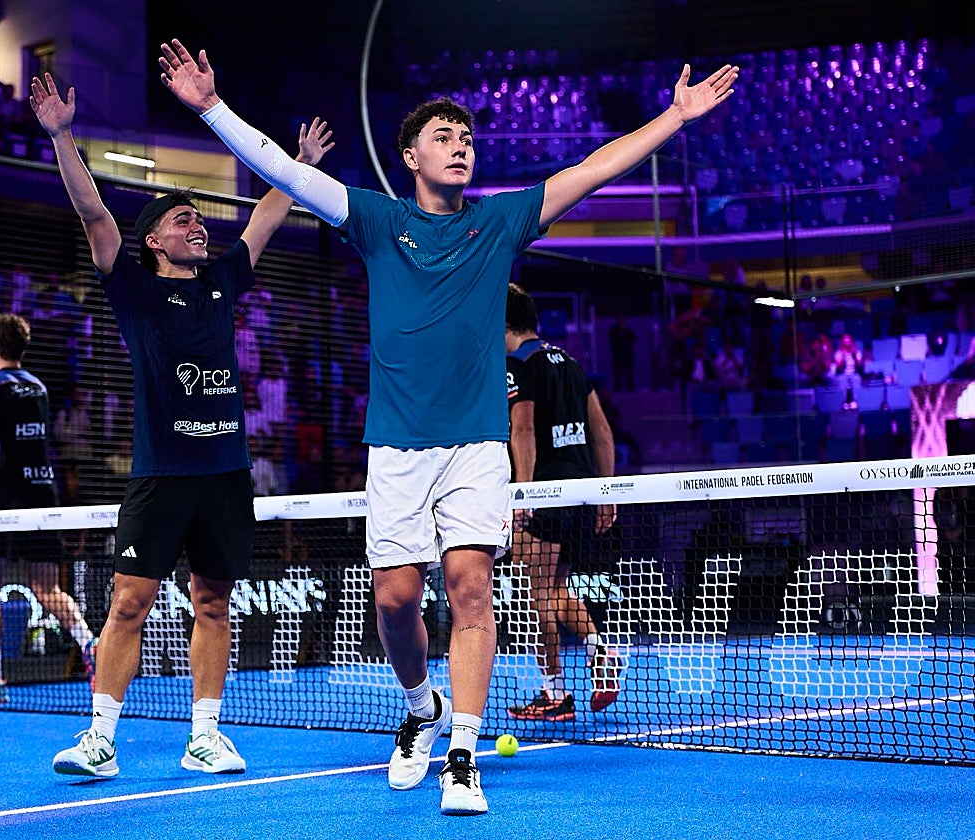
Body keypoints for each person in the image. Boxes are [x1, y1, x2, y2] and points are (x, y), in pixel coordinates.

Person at [159, 37, 737, 815]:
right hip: (396, 446)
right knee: (395, 600)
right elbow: (284, 171)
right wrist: (211, 109)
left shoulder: (498, 224)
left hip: (475, 444)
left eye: (467, 139)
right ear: (410, 157)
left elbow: (594, 168)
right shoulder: (372, 220)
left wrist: (674, 116)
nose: (460, 147)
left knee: (471, 589)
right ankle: (421, 707)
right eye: (444, 138)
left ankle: (460, 752)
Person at [28, 70, 334, 780]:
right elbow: (94, 214)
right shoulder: (131, 288)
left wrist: (302, 169)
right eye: (183, 220)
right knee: (128, 603)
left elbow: (267, 212)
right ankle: (100, 739)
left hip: (224, 476)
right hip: (161, 475)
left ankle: (205, 736)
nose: (199, 225)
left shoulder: (224, 278)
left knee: (213, 601)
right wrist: (60, 135)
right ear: (155, 243)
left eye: (199, 218)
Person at [0, 313, 96, 705]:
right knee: (47, 588)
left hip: (1, 502)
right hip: (43, 494)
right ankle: (93, 646)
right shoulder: (38, 387)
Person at [503, 283, 621, 722]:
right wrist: (604, 493)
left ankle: (554, 691)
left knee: (536, 596)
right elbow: (603, 432)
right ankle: (599, 651)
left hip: (543, 494)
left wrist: (522, 497)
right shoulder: (569, 362)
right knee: (553, 590)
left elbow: (525, 431)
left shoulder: (518, 364)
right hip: (580, 493)